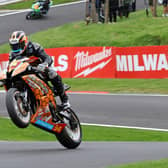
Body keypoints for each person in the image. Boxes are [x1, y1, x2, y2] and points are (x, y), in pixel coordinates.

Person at [8, 30, 70, 110]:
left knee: (52, 73)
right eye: (13, 46)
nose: (16, 49)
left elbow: (47, 58)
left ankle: (65, 101)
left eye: (18, 46)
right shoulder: (12, 54)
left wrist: (44, 64)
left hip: (38, 69)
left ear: (24, 42)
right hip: (23, 72)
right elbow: (10, 67)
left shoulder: (34, 46)